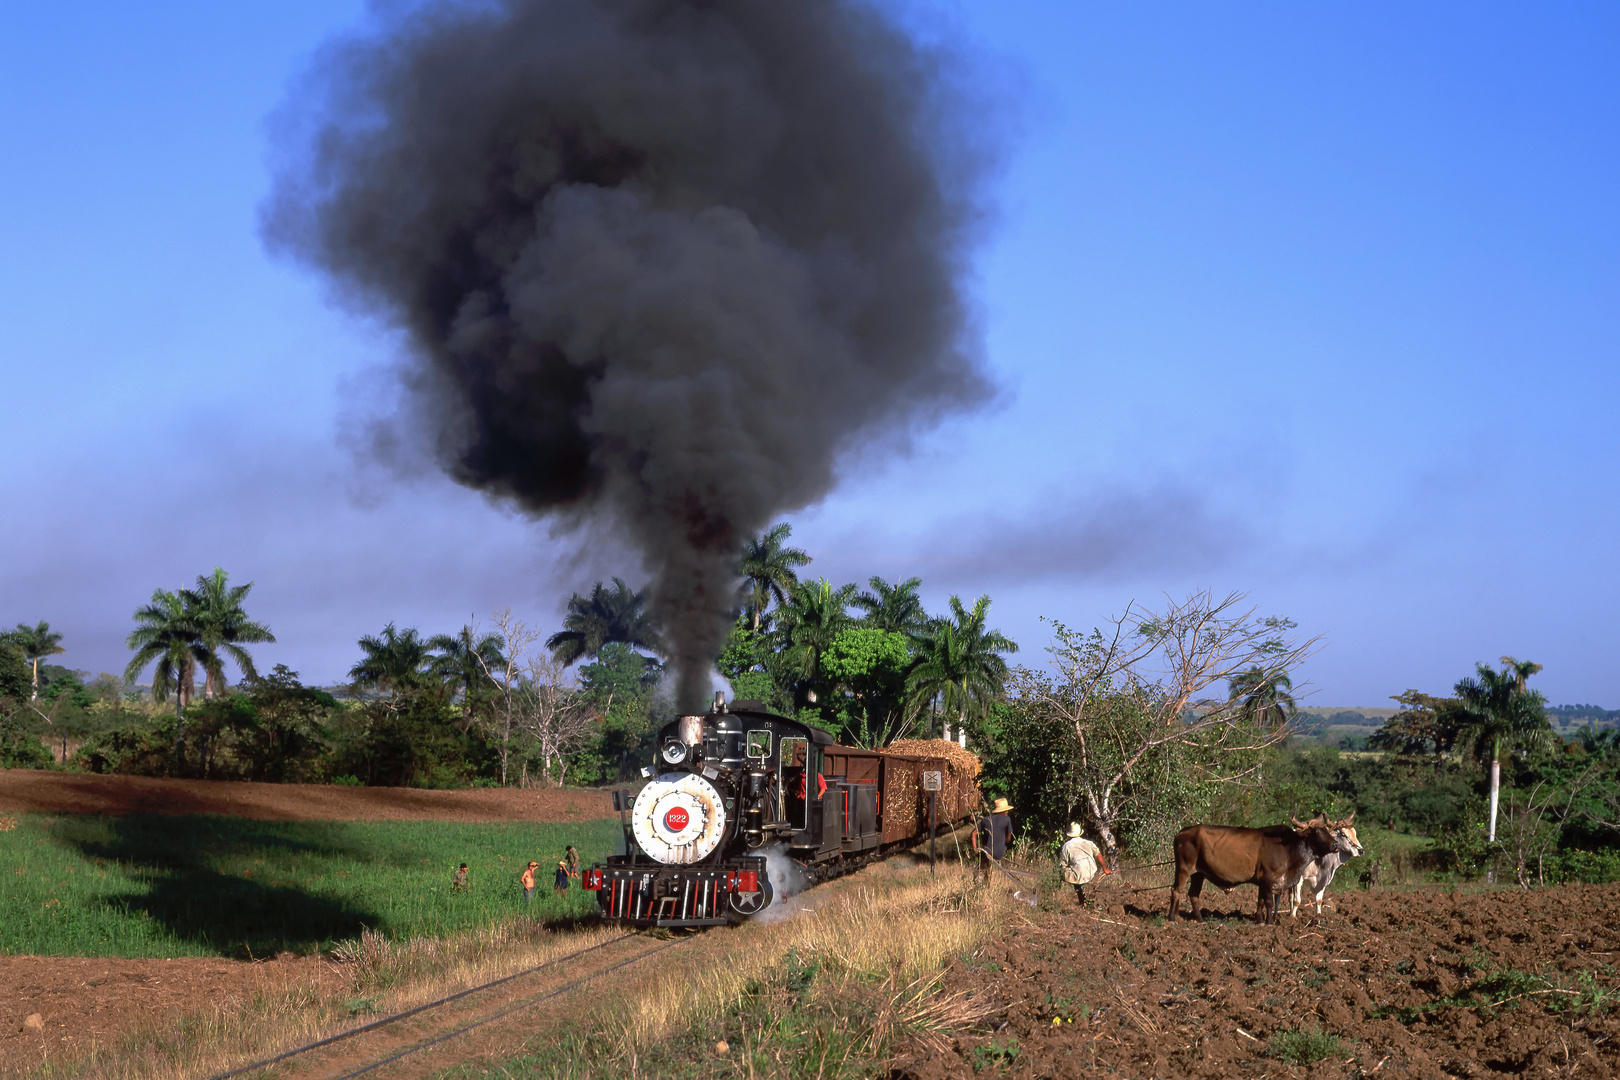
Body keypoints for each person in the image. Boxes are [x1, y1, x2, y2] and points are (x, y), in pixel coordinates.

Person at [1057, 823, 1110, 905]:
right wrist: (1104, 869)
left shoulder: (1066, 846)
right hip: (1092, 871)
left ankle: (1082, 901)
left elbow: (1062, 864)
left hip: (1079, 873)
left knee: (1066, 872)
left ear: (1069, 835)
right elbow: (1099, 855)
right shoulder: (1089, 843)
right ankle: (1086, 901)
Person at [971, 797, 1015, 885]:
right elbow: (1008, 838)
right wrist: (1002, 844)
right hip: (1000, 852)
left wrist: (975, 849)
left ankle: (981, 885)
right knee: (990, 865)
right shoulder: (1007, 820)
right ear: (1005, 811)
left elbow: (973, 834)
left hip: (987, 852)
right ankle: (988, 881)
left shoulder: (986, 819)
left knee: (980, 868)